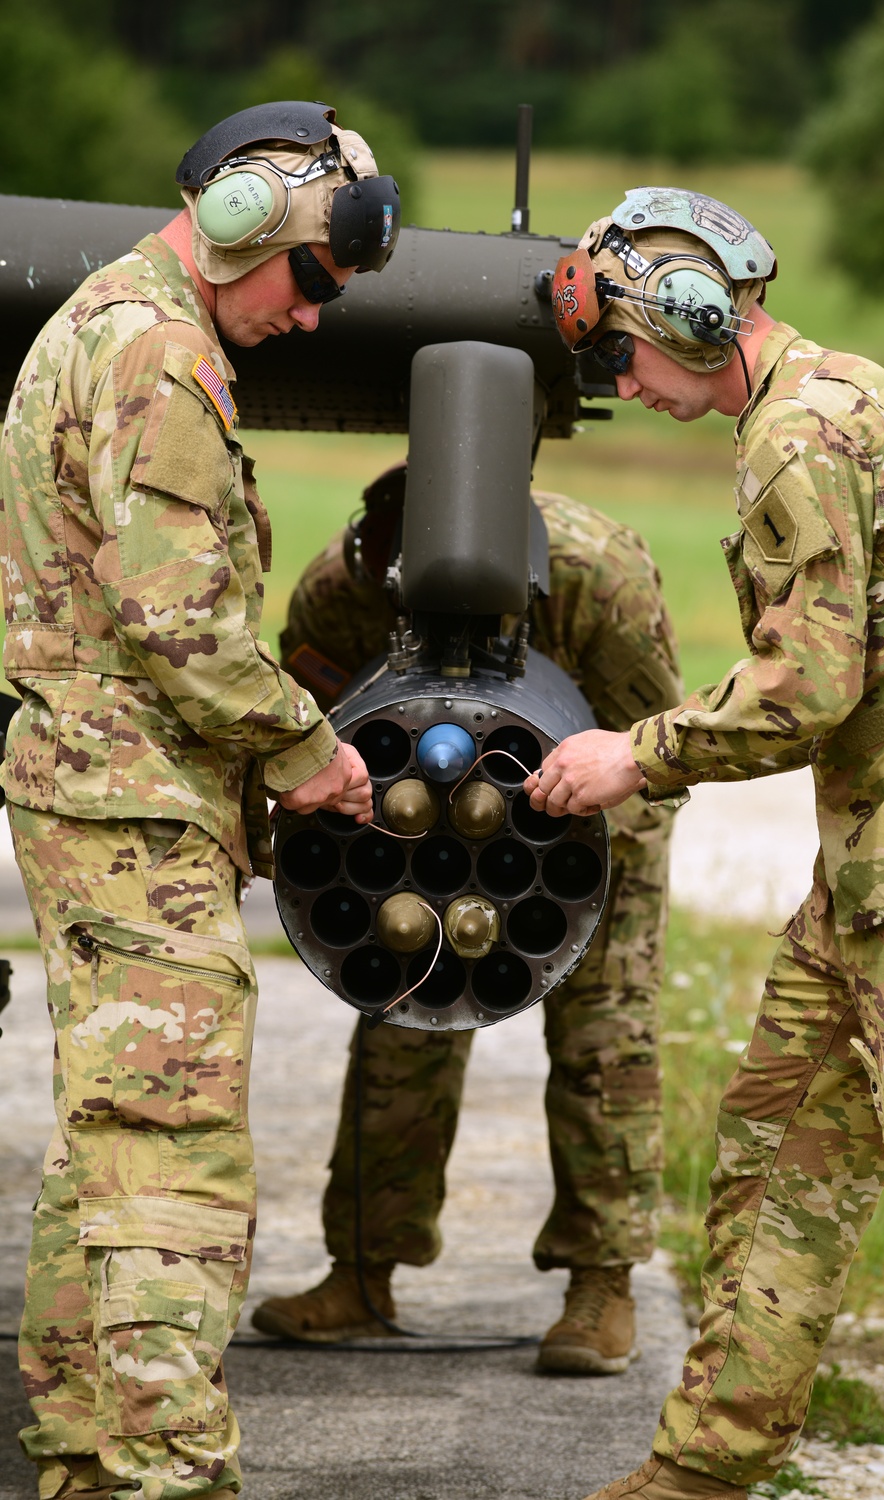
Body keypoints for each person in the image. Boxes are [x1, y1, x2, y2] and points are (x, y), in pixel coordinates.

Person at [526, 185, 884, 1500]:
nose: (625, 387)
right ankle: (703, 1472)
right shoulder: (828, 399)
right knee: (774, 1161)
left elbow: (810, 687)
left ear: (688, 319)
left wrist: (637, 750)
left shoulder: (797, 435)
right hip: (872, 880)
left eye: (620, 357)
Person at [0, 100, 400, 1500]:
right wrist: (303, 746)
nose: (309, 319)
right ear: (244, 225)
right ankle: (166, 1468)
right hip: (131, 809)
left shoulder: (113, 324)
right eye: (309, 281)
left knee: (110, 1141)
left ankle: (83, 1454)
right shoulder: (162, 355)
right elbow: (178, 619)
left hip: (97, 796)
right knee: (174, 1162)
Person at [248, 463, 683, 1374]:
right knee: (404, 1011)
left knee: (606, 1039)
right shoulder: (344, 591)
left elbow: (656, 757)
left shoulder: (598, 579)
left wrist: (564, 849)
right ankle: (363, 1273)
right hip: (413, 833)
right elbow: (307, 734)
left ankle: (601, 1286)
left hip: (590, 833)